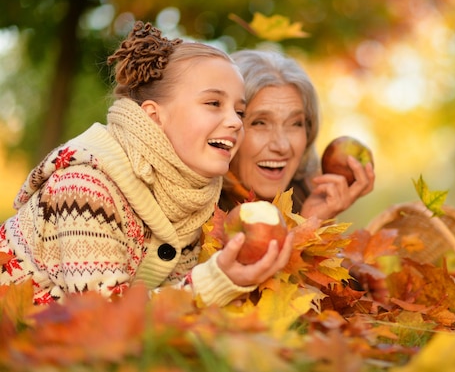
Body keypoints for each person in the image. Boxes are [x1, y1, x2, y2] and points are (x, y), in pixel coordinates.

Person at [0, 22, 292, 306]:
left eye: (239, 111)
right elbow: (101, 315)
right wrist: (213, 283)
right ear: (154, 116)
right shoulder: (85, 186)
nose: (234, 122)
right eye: (214, 104)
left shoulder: (193, 198)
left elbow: (165, 309)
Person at [219, 49, 375, 221]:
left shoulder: (310, 202)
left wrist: (310, 225)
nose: (282, 146)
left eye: (295, 124)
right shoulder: (192, 219)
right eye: (260, 123)